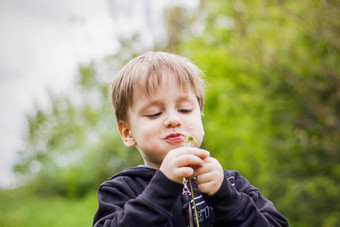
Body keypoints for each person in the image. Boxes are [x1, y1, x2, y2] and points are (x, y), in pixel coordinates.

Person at [93, 52, 288, 227]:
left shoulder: (231, 183)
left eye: (185, 110)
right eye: (155, 113)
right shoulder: (120, 191)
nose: (173, 120)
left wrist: (227, 198)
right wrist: (162, 189)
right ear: (128, 133)